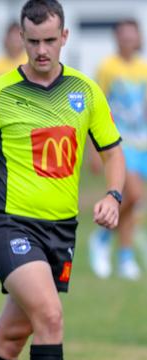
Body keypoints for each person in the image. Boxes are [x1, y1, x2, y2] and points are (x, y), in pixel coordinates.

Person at [0, 1, 125, 360]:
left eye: (49, 40)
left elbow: (112, 153)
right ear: (21, 37)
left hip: (62, 230)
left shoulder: (87, 90)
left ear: (64, 36)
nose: (41, 50)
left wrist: (113, 195)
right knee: (49, 318)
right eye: (33, 41)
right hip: (11, 225)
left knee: (11, 336)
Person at [89, 18, 146, 281]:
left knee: (132, 203)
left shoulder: (143, 68)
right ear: (116, 37)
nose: (127, 39)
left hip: (141, 142)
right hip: (118, 143)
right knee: (133, 195)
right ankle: (101, 238)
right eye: (122, 34)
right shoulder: (107, 68)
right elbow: (96, 109)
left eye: (131, 34)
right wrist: (93, 150)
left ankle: (124, 257)